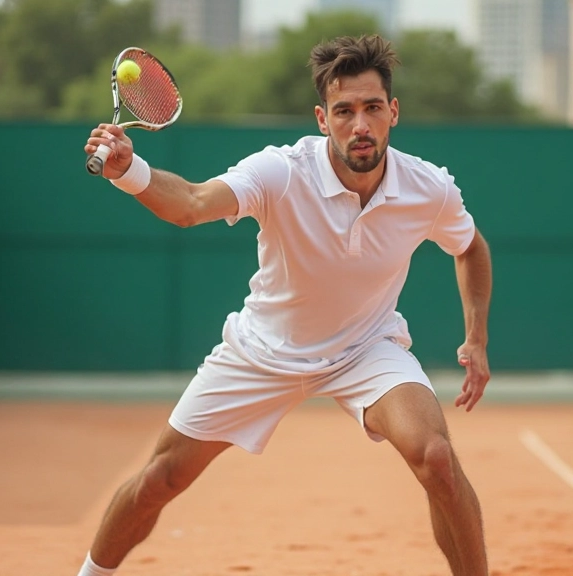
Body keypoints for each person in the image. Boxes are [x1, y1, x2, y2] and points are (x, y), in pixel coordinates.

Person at [78, 34, 493, 576]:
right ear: (323, 119)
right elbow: (191, 204)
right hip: (262, 351)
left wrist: (476, 337)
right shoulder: (281, 170)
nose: (360, 125)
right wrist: (130, 171)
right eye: (344, 111)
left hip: (366, 349)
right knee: (160, 479)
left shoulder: (428, 188)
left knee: (436, 458)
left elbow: (470, 247)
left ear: (393, 112)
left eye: (372, 108)